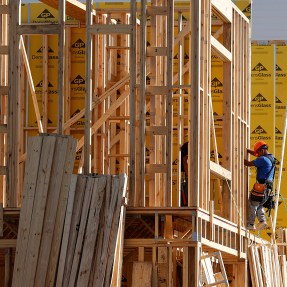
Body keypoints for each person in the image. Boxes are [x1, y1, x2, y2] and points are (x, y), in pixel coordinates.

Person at [244, 141, 276, 231]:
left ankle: (250, 224)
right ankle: (262, 221)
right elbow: (256, 154)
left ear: (262, 150)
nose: (257, 155)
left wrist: (236, 156)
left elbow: (248, 163)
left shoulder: (262, 159)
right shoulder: (271, 158)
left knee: (252, 204)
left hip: (261, 187)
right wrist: (247, 150)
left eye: (258, 153)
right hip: (268, 189)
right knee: (259, 205)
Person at [180, 142, 188, 206]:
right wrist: (189, 175)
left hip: (185, 176)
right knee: (186, 202)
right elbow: (185, 160)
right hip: (185, 176)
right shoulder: (189, 146)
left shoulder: (187, 145)